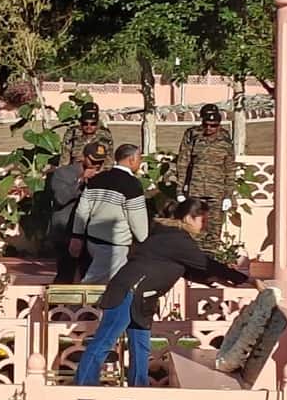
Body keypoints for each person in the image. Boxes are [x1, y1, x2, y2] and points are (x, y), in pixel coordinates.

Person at [74, 197, 250, 387]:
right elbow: (206, 263)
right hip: (127, 293)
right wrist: (247, 279)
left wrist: (215, 279)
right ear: (188, 218)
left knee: (140, 348)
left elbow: (187, 269)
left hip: (143, 299)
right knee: (105, 341)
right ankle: (83, 387)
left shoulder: (172, 237)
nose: (205, 224)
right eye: (203, 219)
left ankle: (139, 393)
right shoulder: (175, 238)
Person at [70, 143, 149, 284]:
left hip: (92, 241)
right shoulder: (132, 184)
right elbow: (137, 219)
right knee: (93, 285)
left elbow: (82, 210)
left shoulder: (97, 179)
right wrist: (143, 240)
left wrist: (77, 235)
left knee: (106, 283)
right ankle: (72, 300)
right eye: (139, 158)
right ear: (132, 159)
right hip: (114, 245)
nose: (140, 162)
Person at [170, 104, 237, 255]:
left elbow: (230, 169)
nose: (209, 128)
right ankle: (194, 258)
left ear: (219, 124)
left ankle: (211, 260)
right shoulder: (194, 137)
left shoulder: (225, 140)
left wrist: (228, 195)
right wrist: (180, 190)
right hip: (196, 190)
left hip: (216, 192)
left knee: (214, 229)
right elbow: (183, 163)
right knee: (194, 228)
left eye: (213, 125)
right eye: (206, 124)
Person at [49, 142, 106, 283]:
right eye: (93, 161)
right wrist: (80, 180)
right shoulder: (63, 173)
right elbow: (60, 198)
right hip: (65, 231)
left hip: (90, 233)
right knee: (65, 274)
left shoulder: (102, 176)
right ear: (84, 157)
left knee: (90, 275)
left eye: (100, 162)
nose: (96, 165)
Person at [60, 102, 114, 167]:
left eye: (93, 124)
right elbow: (64, 159)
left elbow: (109, 161)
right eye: (85, 123)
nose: (89, 127)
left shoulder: (105, 134)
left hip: (98, 170)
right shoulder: (72, 133)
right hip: (76, 169)